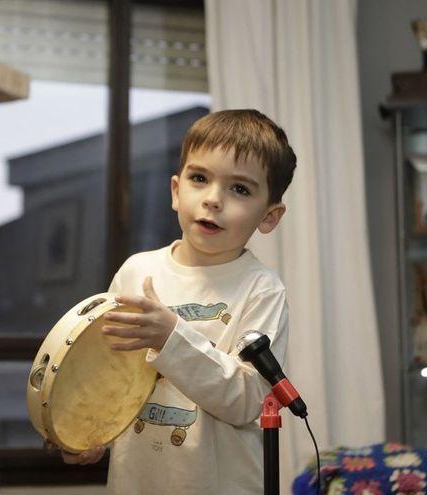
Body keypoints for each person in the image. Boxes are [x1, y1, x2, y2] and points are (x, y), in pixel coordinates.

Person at [57, 109, 295, 494]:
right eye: (199, 178)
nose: (213, 199)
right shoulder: (136, 272)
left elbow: (249, 400)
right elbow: (108, 376)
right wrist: (86, 433)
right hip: (136, 482)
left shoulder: (262, 289)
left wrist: (172, 337)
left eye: (240, 189)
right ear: (175, 190)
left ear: (269, 216)